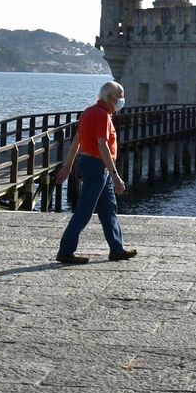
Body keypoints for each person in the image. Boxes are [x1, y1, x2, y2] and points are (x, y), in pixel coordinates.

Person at [53, 80, 137, 264]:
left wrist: (68, 166)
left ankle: (117, 249)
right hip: (96, 166)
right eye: (120, 95)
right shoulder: (102, 116)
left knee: (108, 210)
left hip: (93, 165)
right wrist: (116, 177)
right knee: (85, 210)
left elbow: (76, 140)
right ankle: (65, 251)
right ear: (111, 97)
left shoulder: (88, 112)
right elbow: (102, 145)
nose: (122, 99)